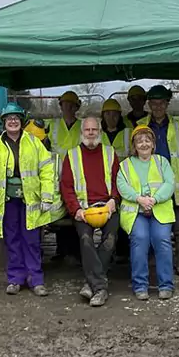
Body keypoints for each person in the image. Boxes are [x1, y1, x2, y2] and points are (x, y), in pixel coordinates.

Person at [0, 103, 56, 296]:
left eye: (16, 118)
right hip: (6, 202)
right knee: (12, 239)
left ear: (22, 121)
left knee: (31, 240)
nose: (12, 121)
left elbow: (47, 169)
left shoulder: (34, 142)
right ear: (3, 122)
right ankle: (15, 279)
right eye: (8, 118)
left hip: (30, 201)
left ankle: (36, 279)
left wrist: (47, 195)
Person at [137, 84, 179, 276]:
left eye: (161, 103)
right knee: (150, 226)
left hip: (173, 186)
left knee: (178, 226)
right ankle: (154, 262)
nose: (157, 107)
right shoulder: (140, 127)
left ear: (167, 103)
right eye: (153, 103)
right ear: (149, 104)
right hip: (149, 187)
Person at [60, 117, 121, 307]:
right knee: (85, 240)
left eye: (95, 129)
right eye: (88, 130)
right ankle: (100, 287)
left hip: (107, 206)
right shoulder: (72, 155)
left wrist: (113, 201)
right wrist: (75, 209)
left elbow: (118, 182)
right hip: (84, 209)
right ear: (82, 133)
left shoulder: (110, 153)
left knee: (110, 239)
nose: (91, 133)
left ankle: (91, 283)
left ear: (100, 132)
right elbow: (66, 187)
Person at [117, 125, 176, 300]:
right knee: (140, 240)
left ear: (153, 144)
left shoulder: (162, 162)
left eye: (147, 140)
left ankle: (166, 285)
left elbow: (169, 183)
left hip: (159, 209)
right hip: (136, 211)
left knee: (162, 240)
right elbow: (122, 186)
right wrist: (139, 199)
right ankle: (140, 285)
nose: (144, 144)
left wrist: (154, 199)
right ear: (134, 146)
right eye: (139, 141)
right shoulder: (125, 165)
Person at [48, 90, 83, 263]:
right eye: (65, 104)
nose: (68, 107)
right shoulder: (52, 126)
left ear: (77, 107)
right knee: (58, 213)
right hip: (56, 176)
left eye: (71, 104)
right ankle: (61, 250)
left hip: (78, 177)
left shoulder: (82, 126)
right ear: (60, 106)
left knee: (75, 211)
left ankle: (76, 251)